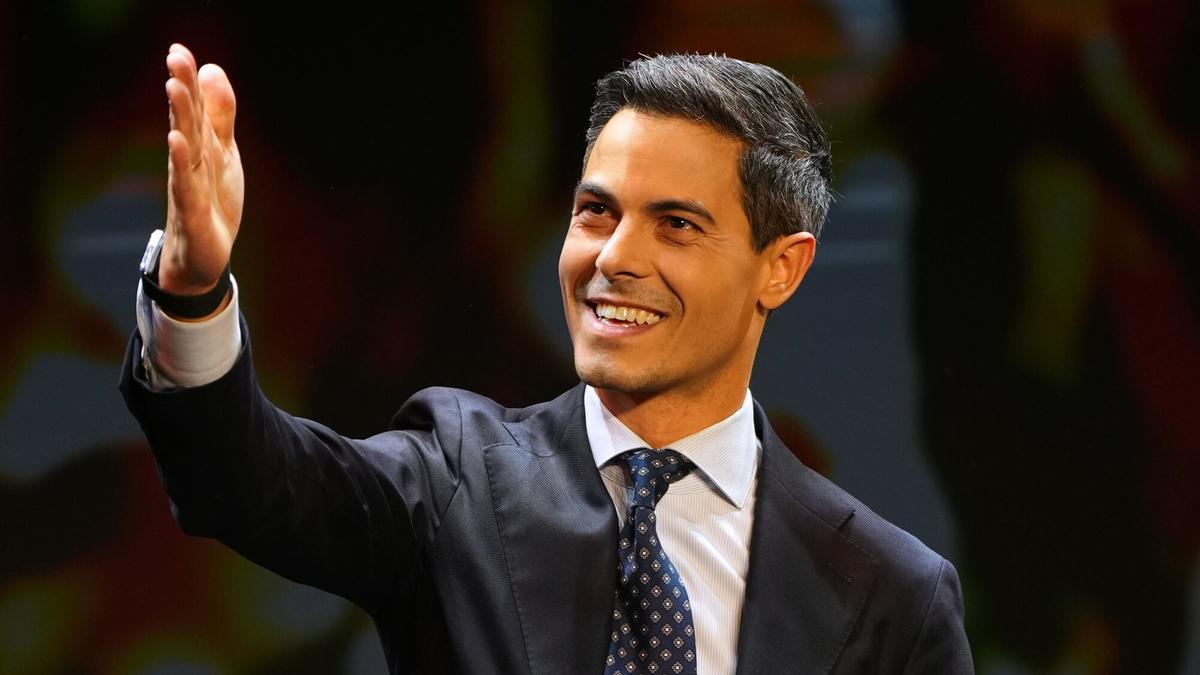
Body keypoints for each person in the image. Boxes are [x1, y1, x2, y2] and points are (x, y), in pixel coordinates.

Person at [121, 43, 973, 674]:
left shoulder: (890, 594)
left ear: (780, 267)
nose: (613, 257)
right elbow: (243, 480)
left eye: (675, 223)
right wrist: (193, 292)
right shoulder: (458, 476)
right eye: (597, 212)